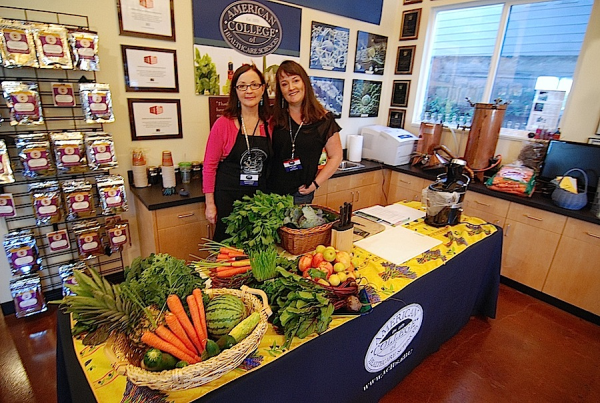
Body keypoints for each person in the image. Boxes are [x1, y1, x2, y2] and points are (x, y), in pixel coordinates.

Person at [202, 64, 272, 242]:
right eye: (242, 86)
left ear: (263, 89)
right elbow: (209, 167)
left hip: (260, 199)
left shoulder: (271, 123)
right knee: (227, 249)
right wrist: (210, 204)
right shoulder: (223, 124)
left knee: (257, 247)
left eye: (254, 85)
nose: (249, 91)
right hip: (228, 197)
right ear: (236, 91)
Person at [268, 60, 343, 204]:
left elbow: (336, 156)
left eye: (295, 80)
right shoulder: (275, 117)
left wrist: (315, 184)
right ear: (280, 90)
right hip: (271, 194)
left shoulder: (324, 120)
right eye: (284, 84)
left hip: (301, 195)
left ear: (305, 83)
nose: (291, 87)